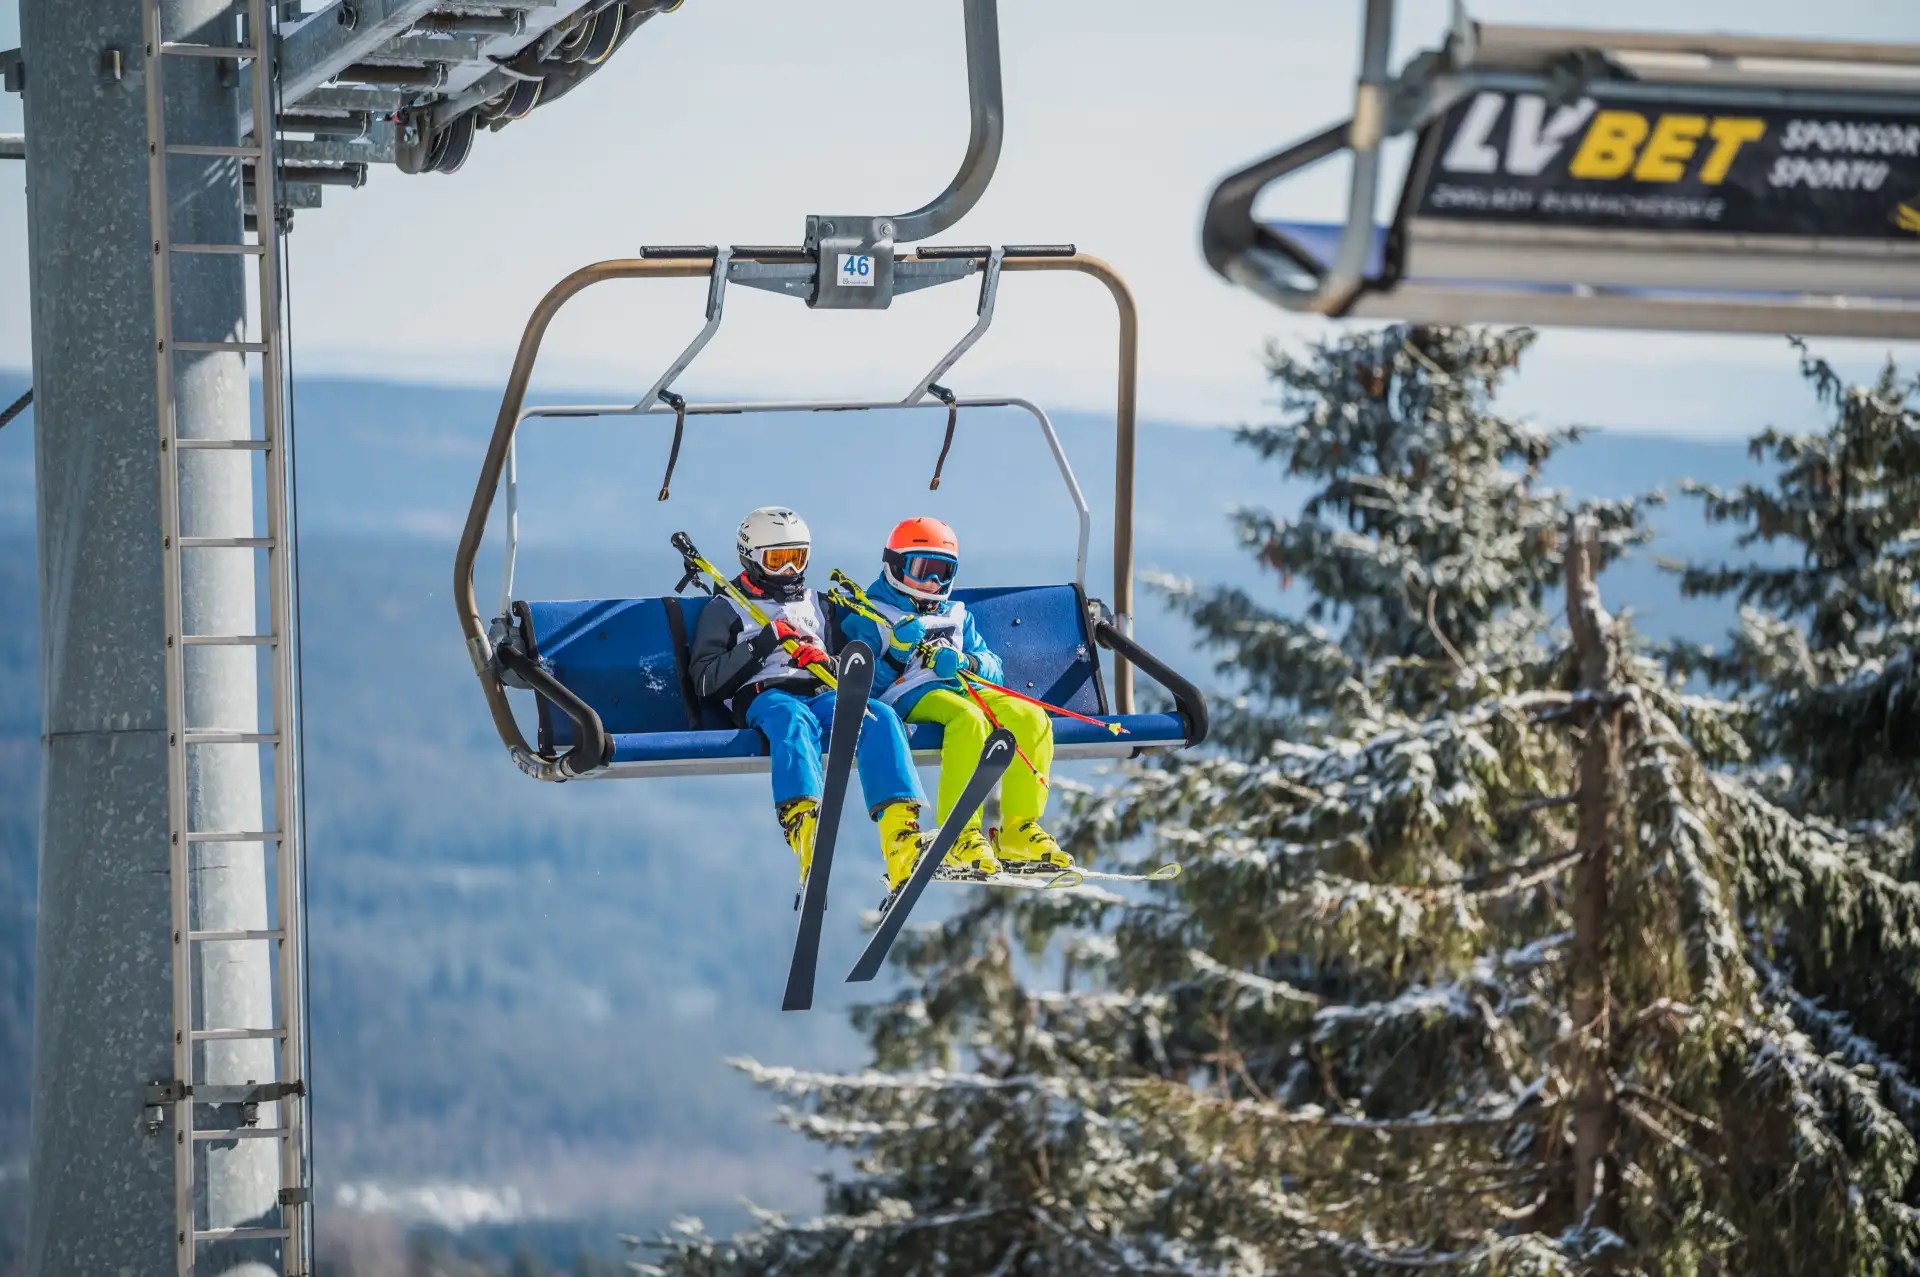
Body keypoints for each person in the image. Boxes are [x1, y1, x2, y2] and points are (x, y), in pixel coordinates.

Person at [688, 507, 928, 891]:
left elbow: (848, 664)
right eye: (777, 560)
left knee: (878, 716)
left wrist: (828, 662)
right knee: (791, 721)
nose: (789, 571)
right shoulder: (727, 608)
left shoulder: (818, 604)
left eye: (797, 558)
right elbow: (705, 681)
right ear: (751, 557)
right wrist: (762, 644)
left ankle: (900, 833)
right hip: (765, 695)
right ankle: (804, 824)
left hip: (819, 691)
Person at [838, 517, 1071, 877]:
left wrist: (967, 661)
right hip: (910, 696)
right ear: (896, 565)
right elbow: (864, 686)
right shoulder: (873, 615)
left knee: (1030, 716)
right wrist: (896, 653)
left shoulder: (957, 614)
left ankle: (1017, 827)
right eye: (923, 570)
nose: (933, 583)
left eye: (943, 572)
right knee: (968, 720)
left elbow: (994, 667)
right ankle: (959, 833)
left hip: (964, 688)